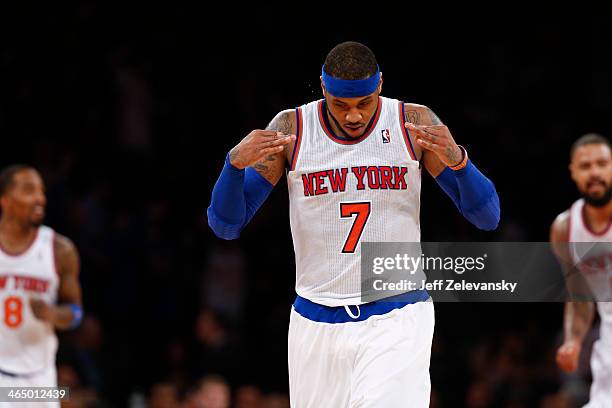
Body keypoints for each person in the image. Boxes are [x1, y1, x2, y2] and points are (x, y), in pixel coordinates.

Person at [208, 41, 500, 407]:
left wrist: (460, 162)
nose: (353, 116)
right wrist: (232, 167)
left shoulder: (413, 124)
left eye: (364, 103)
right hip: (315, 320)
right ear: (323, 89)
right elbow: (226, 226)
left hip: (396, 314)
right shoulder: (292, 129)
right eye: (341, 105)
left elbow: (487, 218)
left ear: (380, 85)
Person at [0, 164, 83, 408]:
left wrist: (53, 314)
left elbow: (76, 313)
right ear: (5, 201)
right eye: (28, 190)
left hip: (38, 379)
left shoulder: (59, 250)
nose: (39, 198)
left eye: (41, 191)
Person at [551, 134, 612, 408]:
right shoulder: (565, 229)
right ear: (573, 172)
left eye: (602, 163)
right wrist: (573, 340)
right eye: (586, 166)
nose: (595, 172)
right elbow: (579, 295)